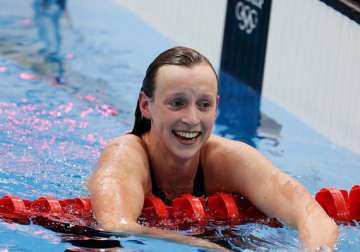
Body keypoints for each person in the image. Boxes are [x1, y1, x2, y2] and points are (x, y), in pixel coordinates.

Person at [87, 47, 338, 250]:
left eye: (204, 105)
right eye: (177, 103)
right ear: (145, 105)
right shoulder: (126, 155)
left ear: (216, 107)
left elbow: (309, 214)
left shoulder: (229, 159)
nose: (192, 119)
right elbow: (115, 225)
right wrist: (201, 244)